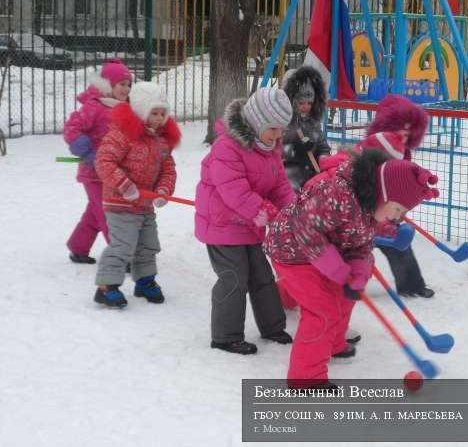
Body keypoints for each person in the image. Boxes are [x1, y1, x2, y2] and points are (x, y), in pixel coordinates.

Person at [264, 149, 439, 390]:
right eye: (398, 209)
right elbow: (304, 229)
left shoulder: (370, 208)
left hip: (327, 251)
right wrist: (337, 270)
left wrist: (358, 273)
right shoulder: (340, 195)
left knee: (344, 295)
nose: (397, 217)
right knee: (322, 311)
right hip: (292, 250)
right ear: (384, 193)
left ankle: (333, 343)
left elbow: (362, 244)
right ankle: (306, 379)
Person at [195, 88, 296, 355]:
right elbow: (234, 190)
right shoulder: (227, 147)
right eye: (273, 128)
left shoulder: (269, 148)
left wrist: (293, 210)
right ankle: (225, 337)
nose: (278, 135)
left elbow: (279, 185)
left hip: (249, 224)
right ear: (257, 121)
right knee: (234, 277)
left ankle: (273, 327)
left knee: (262, 276)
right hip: (222, 224)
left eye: (281, 129)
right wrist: (262, 210)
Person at [93, 82, 180, 308]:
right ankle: (106, 287)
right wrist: (124, 185)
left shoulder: (161, 140)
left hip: (145, 204)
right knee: (123, 246)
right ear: (141, 110)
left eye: (163, 113)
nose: (159, 118)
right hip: (119, 203)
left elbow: (168, 169)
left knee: (148, 245)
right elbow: (104, 161)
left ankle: (144, 281)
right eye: (154, 112)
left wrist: (163, 191)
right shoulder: (123, 133)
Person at [63, 59, 132, 264]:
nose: (126, 88)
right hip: (93, 172)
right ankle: (122, 255)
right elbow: (71, 128)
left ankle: (78, 246)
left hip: (114, 171)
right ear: (108, 84)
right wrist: (88, 153)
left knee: (95, 212)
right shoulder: (94, 107)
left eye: (128, 84)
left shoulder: (124, 108)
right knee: (108, 212)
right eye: (121, 84)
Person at [365, 95, 435, 298]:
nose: (404, 137)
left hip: (387, 214)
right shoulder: (371, 151)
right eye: (399, 132)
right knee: (353, 254)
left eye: (408, 133)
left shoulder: (403, 153)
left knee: (400, 246)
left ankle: (412, 285)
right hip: (364, 214)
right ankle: (341, 287)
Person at [281, 66, 331, 191]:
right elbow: (274, 152)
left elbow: (322, 146)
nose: (306, 107)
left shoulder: (312, 121)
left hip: (311, 176)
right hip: (288, 178)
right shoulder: (283, 122)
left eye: (309, 103)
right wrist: (295, 149)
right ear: (292, 101)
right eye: (301, 103)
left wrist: (322, 156)